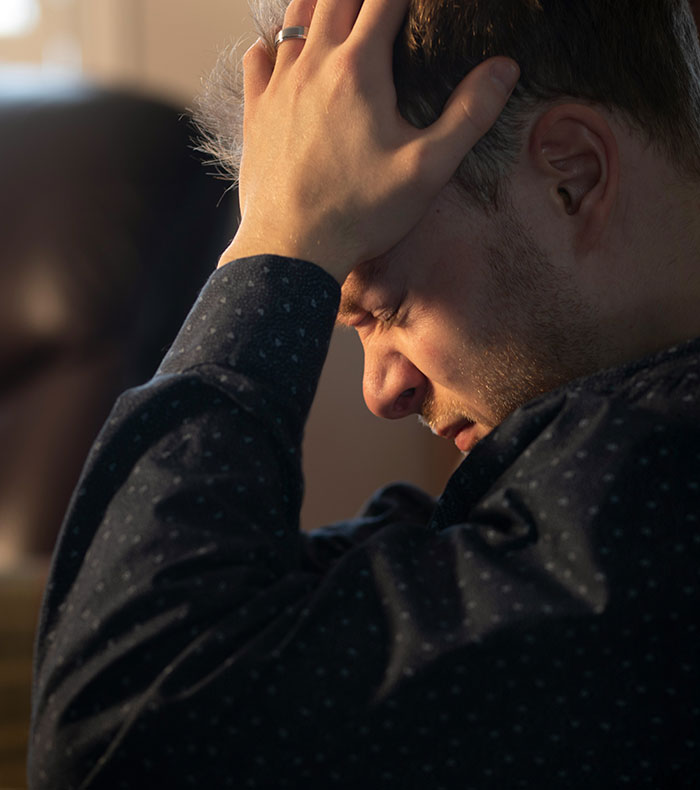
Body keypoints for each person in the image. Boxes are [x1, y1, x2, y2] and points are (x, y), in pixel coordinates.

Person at [29, 0, 700, 787]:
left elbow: (119, 736)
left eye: (387, 308)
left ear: (572, 177)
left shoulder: (652, 498)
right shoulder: (595, 492)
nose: (383, 390)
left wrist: (282, 243)